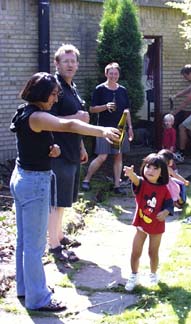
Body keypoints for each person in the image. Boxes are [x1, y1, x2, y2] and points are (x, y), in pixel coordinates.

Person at [9, 72, 120, 311]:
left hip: (21, 177)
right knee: (35, 245)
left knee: (24, 241)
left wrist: (52, 148)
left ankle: (25, 288)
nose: (55, 99)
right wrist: (101, 131)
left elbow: (32, 143)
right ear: (41, 94)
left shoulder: (23, 112)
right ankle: (38, 299)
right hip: (34, 183)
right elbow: (68, 124)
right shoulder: (38, 116)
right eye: (53, 94)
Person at [48, 44, 90, 262]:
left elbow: (77, 122)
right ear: (57, 64)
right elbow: (49, 121)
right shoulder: (53, 88)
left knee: (64, 199)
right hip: (58, 153)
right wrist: (76, 117)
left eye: (73, 61)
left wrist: (81, 146)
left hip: (73, 150)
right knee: (56, 201)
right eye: (66, 61)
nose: (70, 65)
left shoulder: (71, 87)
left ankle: (60, 235)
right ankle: (54, 246)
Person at [81, 62, 134, 195]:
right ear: (106, 74)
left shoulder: (122, 90)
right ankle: (86, 180)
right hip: (103, 129)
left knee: (118, 156)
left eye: (116, 73)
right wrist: (105, 106)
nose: (113, 76)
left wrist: (130, 127)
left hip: (120, 128)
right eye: (111, 73)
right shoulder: (100, 89)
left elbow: (126, 110)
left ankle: (117, 185)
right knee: (102, 156)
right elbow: (92, 109)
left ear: (118, 75)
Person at [123, 153, 173, 291]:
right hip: (141, 225)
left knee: (153, 252)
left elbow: (169, 205)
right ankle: (134, 275)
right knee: (135, 252)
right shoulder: (142, 184)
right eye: (148, 167)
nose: (150, 171)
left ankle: (153, 274)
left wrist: (165, 212)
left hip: (157, 226)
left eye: (155, 168)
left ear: (162, 172)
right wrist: (130, 174)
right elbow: (136, 180)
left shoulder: (164, 189)